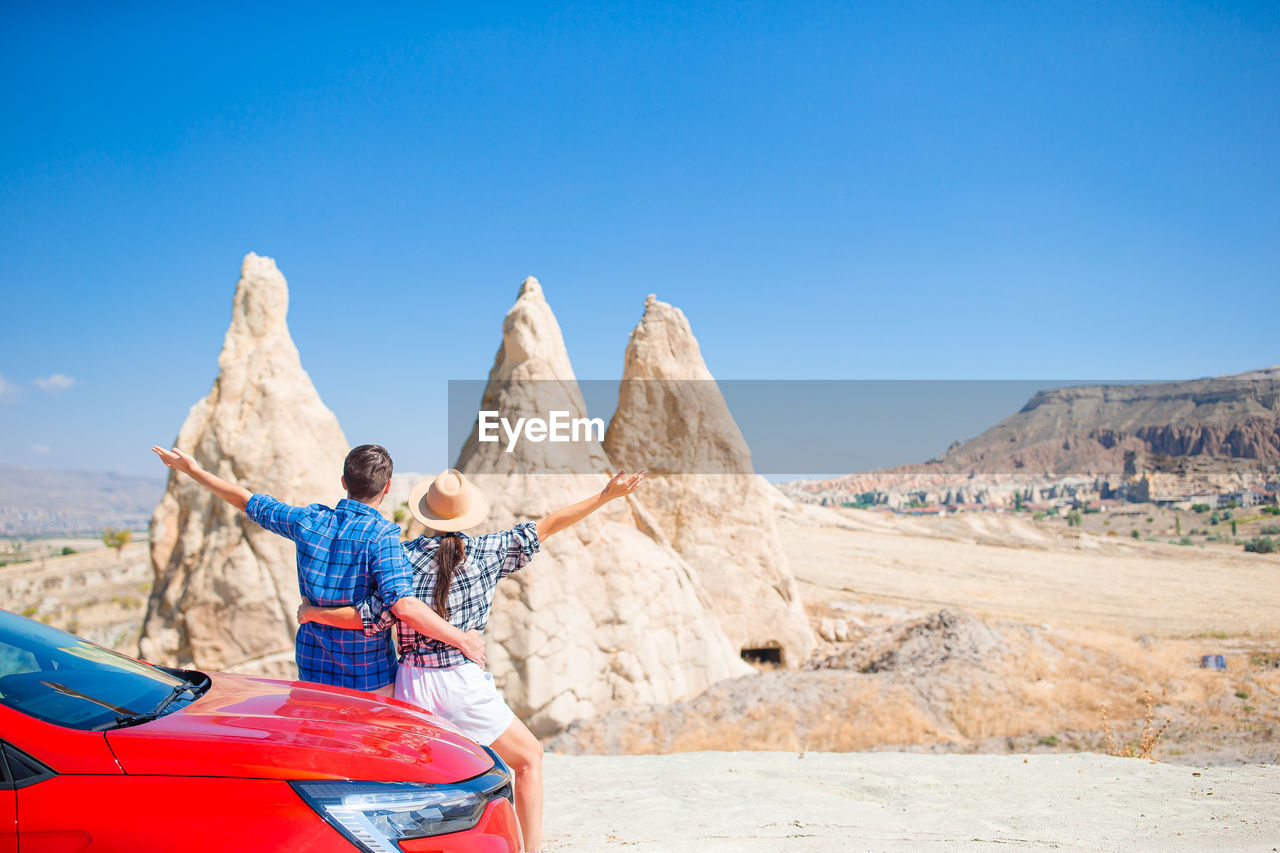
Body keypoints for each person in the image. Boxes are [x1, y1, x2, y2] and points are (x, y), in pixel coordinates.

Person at [299, 466, 646, 853]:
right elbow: (548, 525)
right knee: (529, 758)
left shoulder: (402, 557)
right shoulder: (488, 551)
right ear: (467, 514)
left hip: (410, 683)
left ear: (425, 513)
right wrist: (605, 496)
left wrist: (313, 613)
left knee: (424, 779)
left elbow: (370, 616)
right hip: (460, 684)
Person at [150, 443, 485, 695]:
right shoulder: (382, 535)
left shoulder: (309, 521)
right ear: (387, 487)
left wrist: (194, 471)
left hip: (313, 671)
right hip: (369, 677)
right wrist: (462, 640)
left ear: (344, 481)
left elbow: (246, 501)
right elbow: (403, 605)